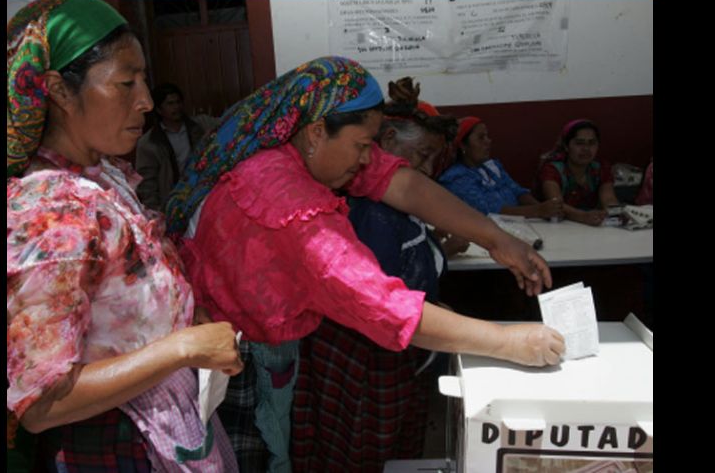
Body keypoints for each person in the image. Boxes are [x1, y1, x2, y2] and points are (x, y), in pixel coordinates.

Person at [166, 56, 565, 472]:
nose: (366, 158)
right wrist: (510, 341)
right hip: (235, 362)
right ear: (317, 132)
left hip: (256, 339)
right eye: (361, 146)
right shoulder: (292, 208)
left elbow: (403, 184)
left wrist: (498, 239)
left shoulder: (294, 144)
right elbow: (385, 307)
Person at [7, 0, 243, 471]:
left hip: (159, 420)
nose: (147, 101)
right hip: (112, 445)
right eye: (125, 82)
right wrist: (181, 348)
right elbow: (43, 402)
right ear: (58, 89)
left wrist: (183, 319)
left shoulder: (102, 175)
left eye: (145, 80)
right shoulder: (52, 211)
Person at [291, 78, 465, 472]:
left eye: (432, 161)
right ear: (382, 139)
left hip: (395, 352)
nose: (423, 171)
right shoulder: (370, 213)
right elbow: (385, 305)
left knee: (391, 453)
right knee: (362, 454)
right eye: (420, 156)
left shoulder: (388, 207)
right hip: (368, 361)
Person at [439, 116, 564, 219]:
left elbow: (518, 192)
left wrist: (546, 210)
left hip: (522, 225)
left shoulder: (492, 167)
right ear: (463, 146)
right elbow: (489, 212)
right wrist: (538, 211)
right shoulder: (456, 178)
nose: (488, 141)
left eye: (487, 136)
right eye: (481, 137)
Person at [135, 83, 218, 212]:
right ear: (159, 109)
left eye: (178, 102)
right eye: (170, 104)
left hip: (202, 192)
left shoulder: (200, 125)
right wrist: (155, 212)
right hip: (173, 201)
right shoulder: (149, 143)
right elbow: (146, 183)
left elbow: (227, 123)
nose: (176, 107)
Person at [535, 119, 621, 226]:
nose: (586, 149)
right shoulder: (552, 170)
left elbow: (609, 199)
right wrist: (582, 216)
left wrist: (615, 213)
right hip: (554, 227)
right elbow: (556, 204)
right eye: (579, 143)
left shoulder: (601, 168)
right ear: (566, 146)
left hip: (590, 225)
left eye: (592, 143)